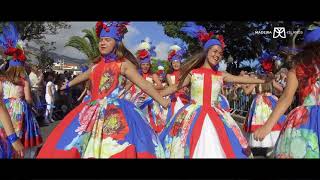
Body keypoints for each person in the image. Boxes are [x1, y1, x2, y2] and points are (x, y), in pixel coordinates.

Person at [37, 21, 169, 158]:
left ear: (117, 43)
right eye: (101, 40)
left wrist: (162, 101)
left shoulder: (123, 64)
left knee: (111, 146)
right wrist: (68, 85)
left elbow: (145, 84)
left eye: (107, 40)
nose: (102, 43)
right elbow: (84, 75)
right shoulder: (96, 65)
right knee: (77, 142)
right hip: (91, 110)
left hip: (114, 112)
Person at [159, 22, 270, 158]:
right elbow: (175, 87)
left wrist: (263, 80)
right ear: (206, 52)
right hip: (193, 114)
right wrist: (155, 94)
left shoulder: (221, 75)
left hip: (216, 115)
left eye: (220, 53)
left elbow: (239, 79)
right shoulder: (193, 73)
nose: (217, 55)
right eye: (215, 51)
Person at [254, 27, 320, 158]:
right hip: (306, 122)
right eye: (315, 47)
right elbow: (286, 97)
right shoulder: (297, 69)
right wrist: (267, 126)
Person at [0, 22, 43, 158]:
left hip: (5, 109)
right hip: (20, 110)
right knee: (21, 136)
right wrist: (31, 105)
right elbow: (29, 98)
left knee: (4, 136)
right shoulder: (23, 79)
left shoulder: (2, 78)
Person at [243, 52, 286, 158]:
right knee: (268, 122)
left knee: (268, 122)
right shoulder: (263, 79)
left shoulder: (262, 79)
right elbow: (281, 90)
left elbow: (247, 92)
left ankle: (268, 148)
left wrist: (244, 85)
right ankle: (269, 149)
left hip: (263, 103)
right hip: (265, 103)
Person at [166, 43, 190, 117]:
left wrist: (186, 89)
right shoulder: (169, 75)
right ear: (171, 64)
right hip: (174, 98)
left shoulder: (185, 73)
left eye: (177, 62)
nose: (175, 64)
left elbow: (187, 86)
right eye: (173, 62)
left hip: (184, 97)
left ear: (180, 63)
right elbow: (172, 88)